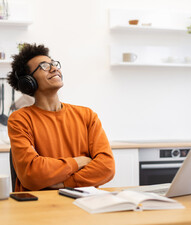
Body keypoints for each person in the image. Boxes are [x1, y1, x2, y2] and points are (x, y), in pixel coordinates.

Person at [7, 43, 115, 191]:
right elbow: (31, 174)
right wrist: (80, 161)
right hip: (37, 207)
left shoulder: (87, 115)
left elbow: (106, 166)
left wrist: (65, 183)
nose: (54, 68)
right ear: (28, 82)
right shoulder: (19, 119)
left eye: (54, 64)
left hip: (84, 205)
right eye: (44, 66)